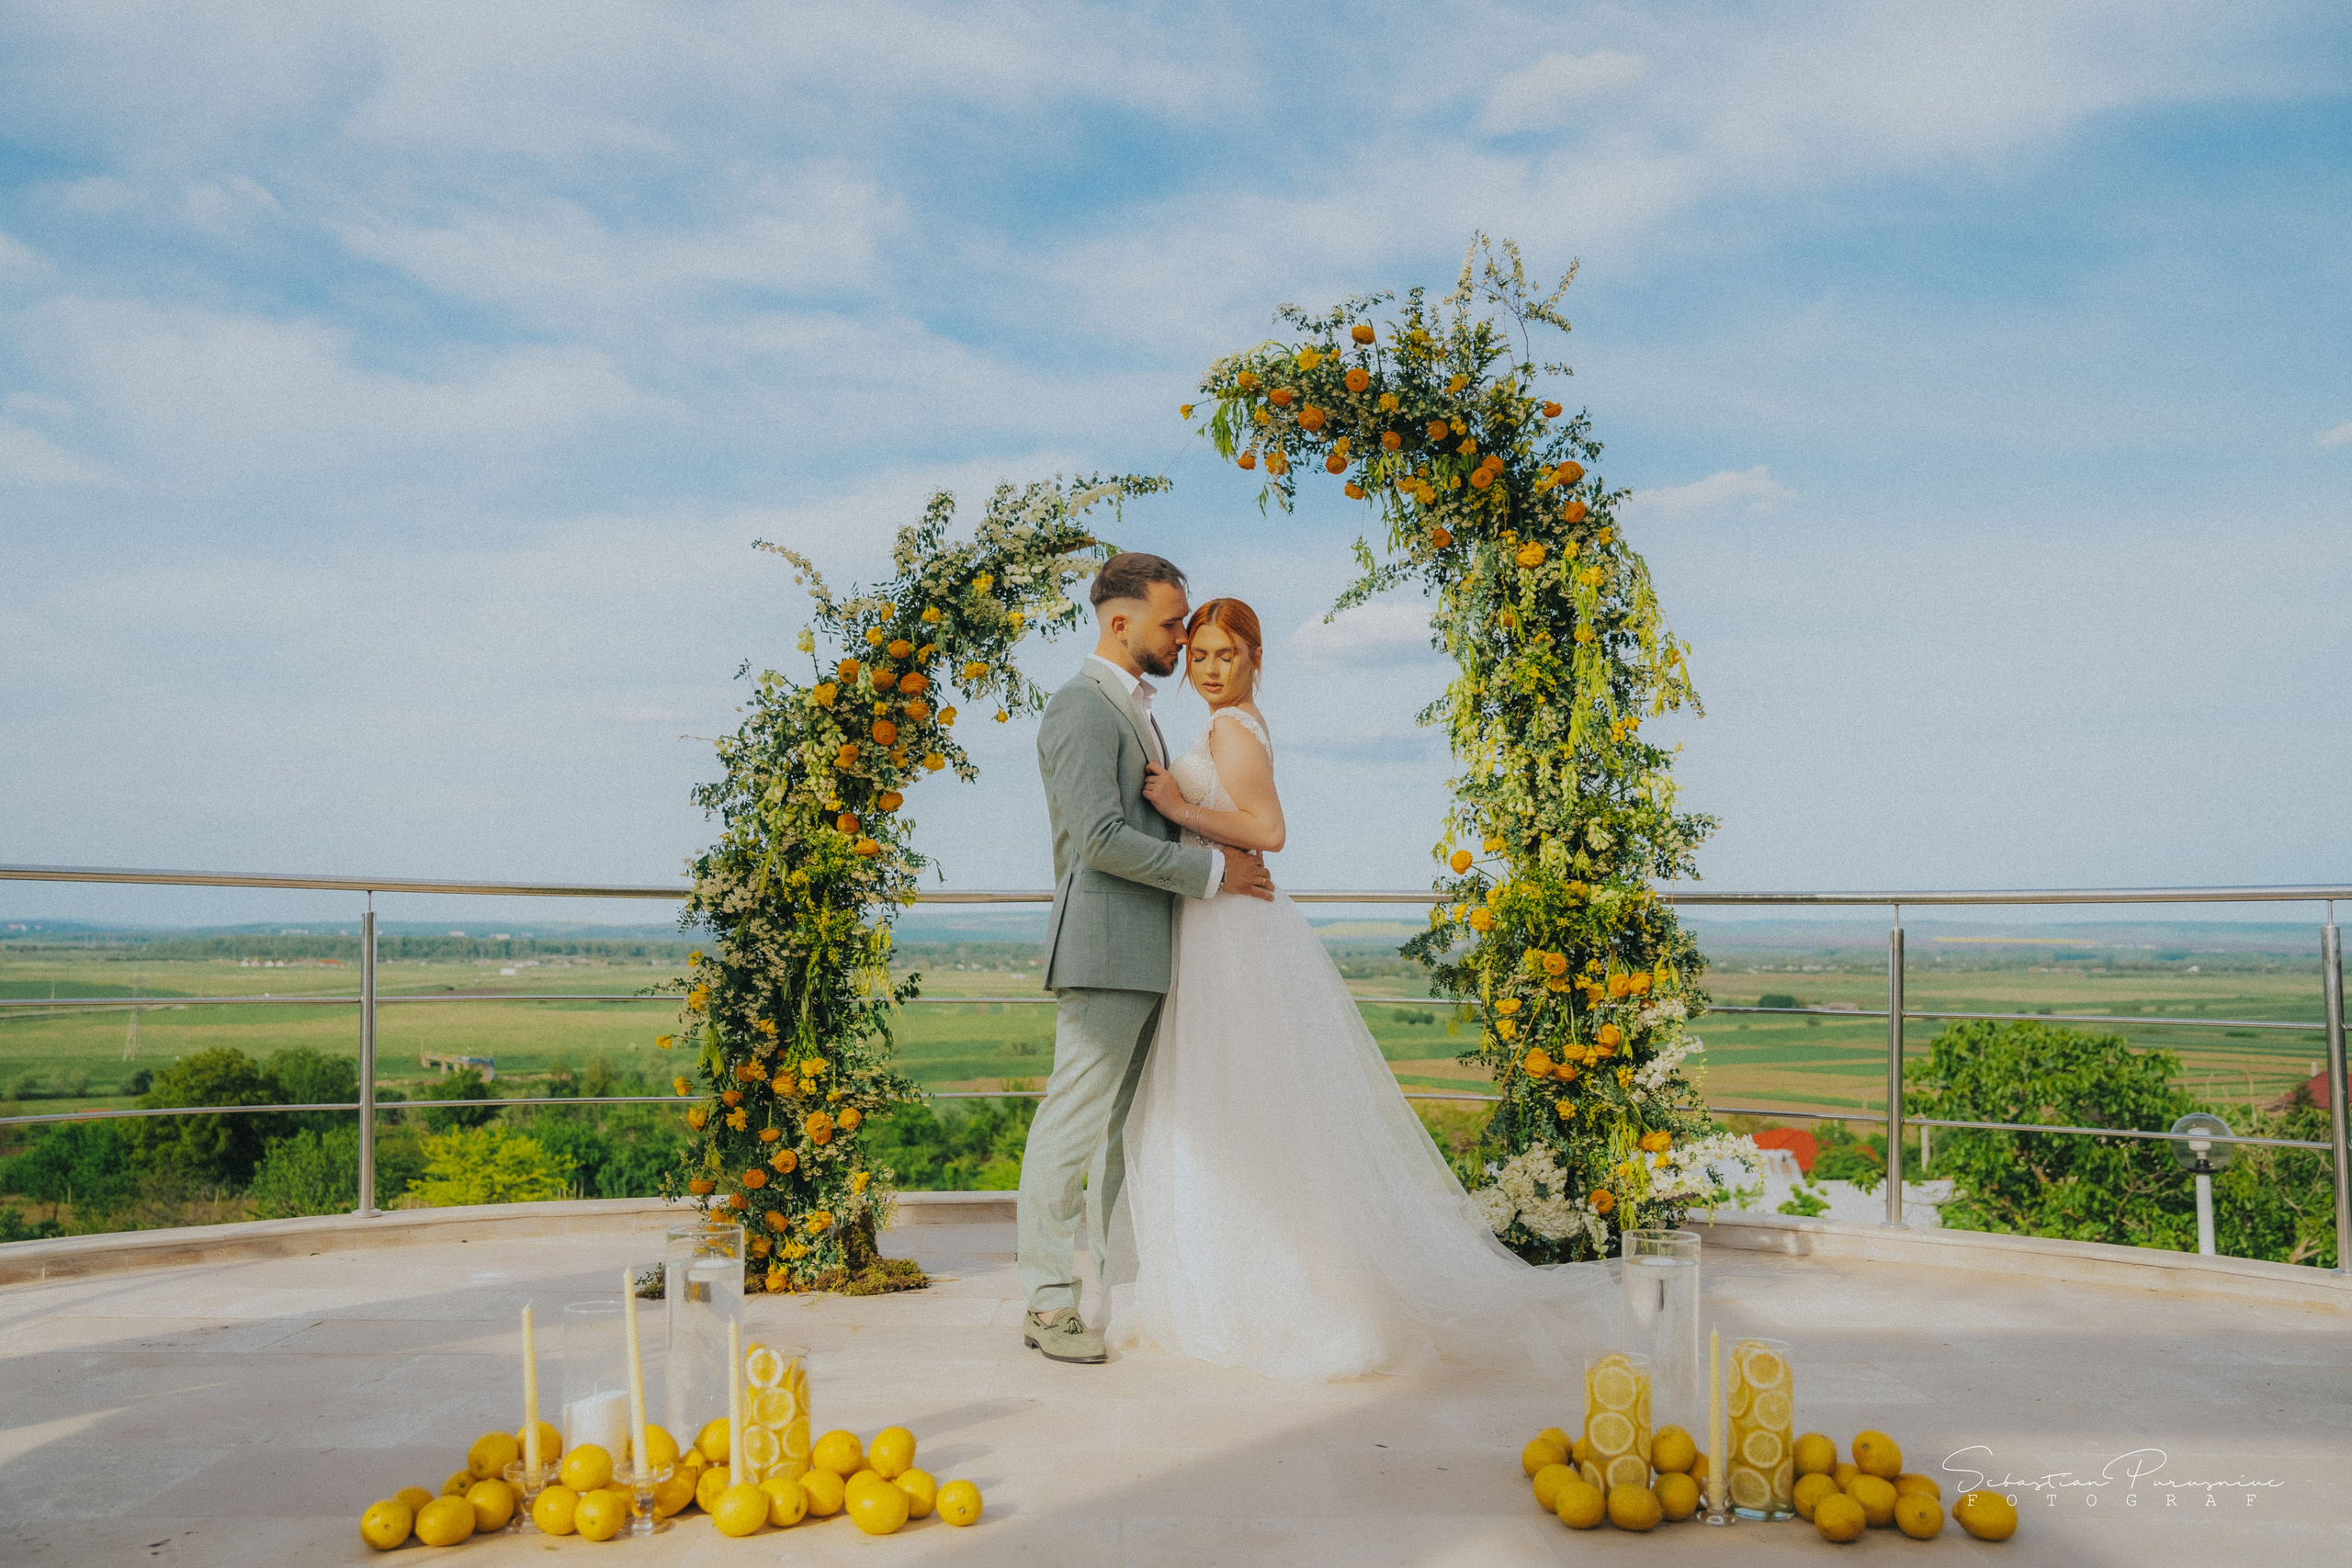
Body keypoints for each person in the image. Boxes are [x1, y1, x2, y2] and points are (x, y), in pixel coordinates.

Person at [1104, 595, 1617, 1380]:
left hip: (1231, 932)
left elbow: (1269, 830)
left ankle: (1262, 1288)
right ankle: (1224, 1276)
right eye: (1200, 655)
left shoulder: (1231, 730)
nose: (1209, 670)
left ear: (1255, 660)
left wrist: (1177, 807)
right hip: (1219, 922)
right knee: (1233, 1103)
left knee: (1236, 1104)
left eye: (1226, 656)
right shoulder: (1230, 725)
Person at [1016, 553, 1276, 1365]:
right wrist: (1213, 871)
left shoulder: (1138, 708)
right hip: (1104, 951)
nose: (1183, 636)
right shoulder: (1080, 709)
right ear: (1119, 623)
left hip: (1156, 951)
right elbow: (1096, 840)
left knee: (1123, 1135)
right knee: (1073, 1125)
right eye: (1173, 623)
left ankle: (1125, 1290)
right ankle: (1049, 1301)